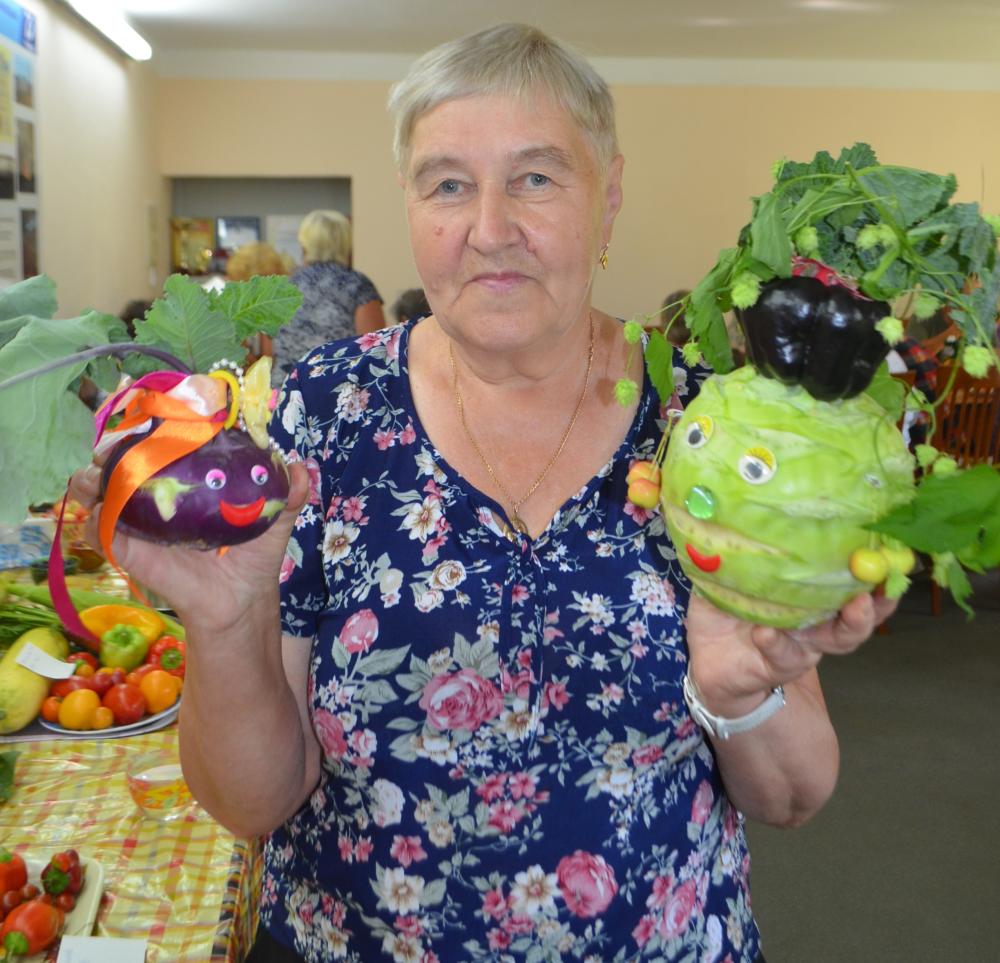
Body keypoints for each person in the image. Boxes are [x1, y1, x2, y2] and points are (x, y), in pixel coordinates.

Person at [71, 23, 894, 963]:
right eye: (448, 183)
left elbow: (791, 796)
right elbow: (253, 802)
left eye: (537, 178)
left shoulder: (708, 425)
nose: (490, 227)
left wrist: (737, 695)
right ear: (410, 204)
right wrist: (227, 621)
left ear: (610, 196)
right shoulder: (322, 414)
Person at [270, 209, 385, 377]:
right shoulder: (357, 285)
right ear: (345, 242)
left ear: (304, 244)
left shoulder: (282, 289)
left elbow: (269, 353)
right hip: (335, 392)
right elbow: (375, 351)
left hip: (285, 392)